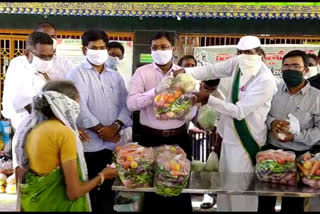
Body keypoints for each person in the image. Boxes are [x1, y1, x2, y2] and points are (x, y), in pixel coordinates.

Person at [173, 35, 277, 211]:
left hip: (246, 141)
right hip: (228, 137)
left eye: (249, 53)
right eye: (240, 52)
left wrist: (208, 99)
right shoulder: (237, 64)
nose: (244, 56)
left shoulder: (265, 80)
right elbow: (212, 70)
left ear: (260, 54)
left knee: (240, 192)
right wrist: (186, 73)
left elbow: (239, 111)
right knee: (224, 190)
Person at [13, 80, 117, 211]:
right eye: (77, 103)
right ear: (67, 104)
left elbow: (21, 175)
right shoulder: (63, 133)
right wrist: (102, 176)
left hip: (34, 205)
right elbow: (74, 192)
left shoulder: (28, 127)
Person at [67, 29, 132, 213]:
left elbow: (125, 104)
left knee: (108, 194)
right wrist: (101, 130)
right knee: (90, 194)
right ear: (83, 50)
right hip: (91, 145)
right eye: (94, 47)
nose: (99, 51)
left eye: (102, 47)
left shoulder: (115, 75)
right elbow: (79, 108)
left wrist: (116, 125)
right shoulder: (76, 74)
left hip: (113, 144)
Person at [126, 32, 193, 213]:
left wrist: (182, 112)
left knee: (179, 189)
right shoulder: (142, 73)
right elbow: (131, 104)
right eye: (155, 48)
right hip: (150, 141)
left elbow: (193, 106)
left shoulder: (184, 74)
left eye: (164, 47)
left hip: (178, 139)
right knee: (152, 192)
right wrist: (155, 91)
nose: (159, 51)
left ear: (173, 48)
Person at [258, 50, 320, 213]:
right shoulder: (273, 90)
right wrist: (272, 123)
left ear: (306, 70)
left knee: (293, 204)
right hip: (271, 154)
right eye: (286, 66)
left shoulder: (317, 97)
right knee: (265, 201)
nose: (290, 69)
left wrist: (296, 136)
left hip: (301, 157)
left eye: (295, 66)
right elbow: (262, 114)